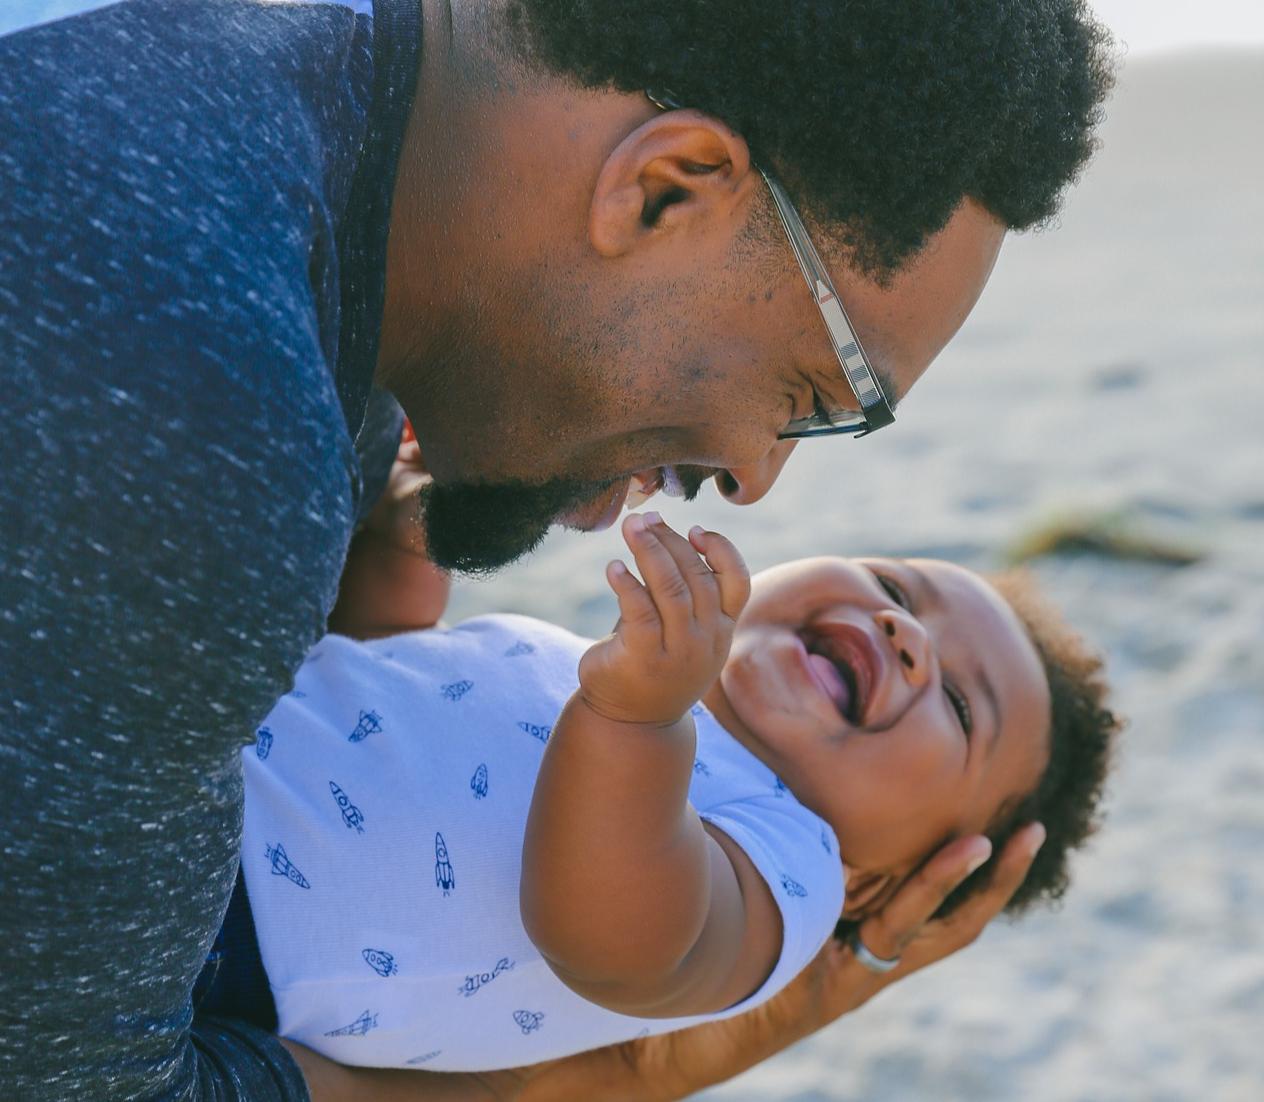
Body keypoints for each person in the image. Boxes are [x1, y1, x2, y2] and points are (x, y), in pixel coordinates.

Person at [0, 1, 1113, 1098]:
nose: (754, 475)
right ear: (666, 189)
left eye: (959, 702)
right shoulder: (202, 421)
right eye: (813, 396)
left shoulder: (267, 143)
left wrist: (391, 547)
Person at [197, 513, 1115, 1073]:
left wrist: (636, 718)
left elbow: (613, 941)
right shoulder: (610, 673)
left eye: (960, 705)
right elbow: (380, 708)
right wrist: (410, 548)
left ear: (875, 883)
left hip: (225, 932)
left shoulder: (786, 868)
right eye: (895, 588)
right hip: (202, 745)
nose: (903, 633)